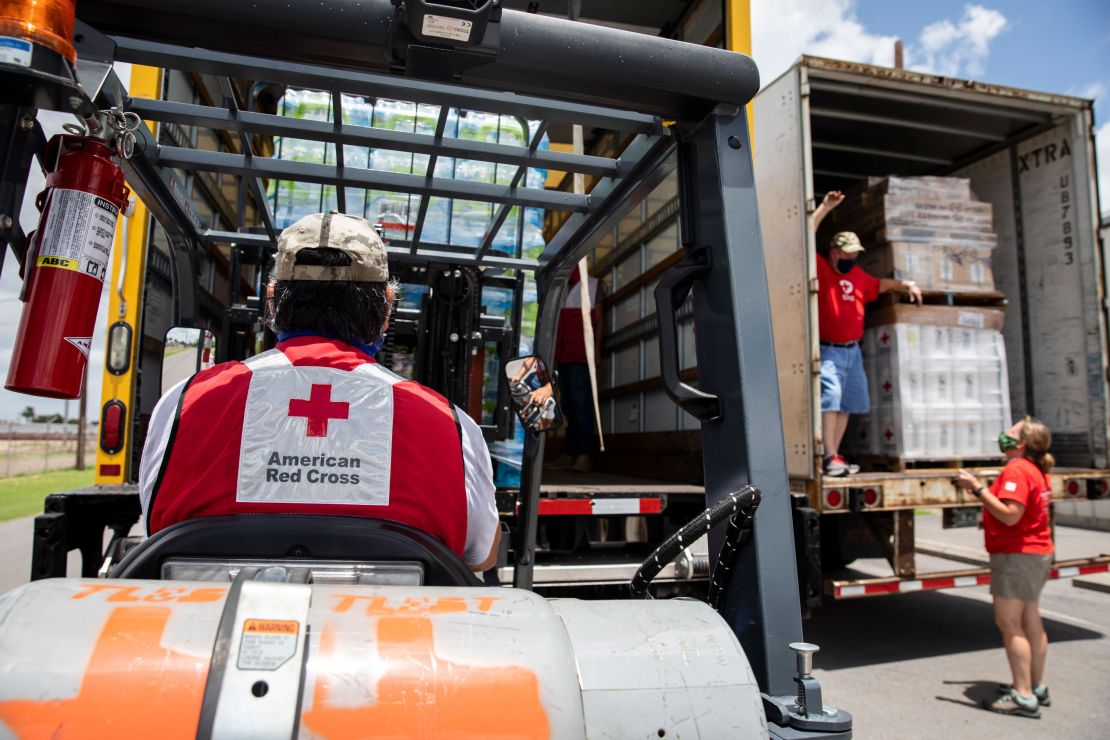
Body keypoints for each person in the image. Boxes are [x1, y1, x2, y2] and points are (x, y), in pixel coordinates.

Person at [138, 211, 500, 571]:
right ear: (387, 307)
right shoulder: (448, 425)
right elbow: (481, 556)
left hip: (208, 625)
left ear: (271, 300)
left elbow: (154, 526)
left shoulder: (187, 404)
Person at [813, 191, 923, 476]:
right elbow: (804, 234)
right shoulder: (823, 270)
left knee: (847, 403)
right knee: (831, 399)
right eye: (849, 253)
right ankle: (827, 456)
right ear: (835, 252)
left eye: (856, 254)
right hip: (829, 349)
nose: (853, 258)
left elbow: (882, 285)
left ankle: (834, 456)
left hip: (853, 351)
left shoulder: (858, 277)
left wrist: (906, 284)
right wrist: (826, 207)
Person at [957, 417, 1055, 719]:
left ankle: (1023, 696)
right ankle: (1036, 685)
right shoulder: (1036, 469)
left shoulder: (1017, 469)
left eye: (1011, 432)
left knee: (1010, 624)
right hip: (1036, 552)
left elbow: (1011, 514)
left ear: (1022, 443)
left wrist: (977, 489)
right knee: (1030, 619)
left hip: (1016, 555)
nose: (1004, 435)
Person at [548, 267, 602, 473]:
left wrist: (596, 351)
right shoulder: (560, 286)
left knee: (582, 406)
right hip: (562, 356)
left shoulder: (594, 284)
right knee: (567, 406)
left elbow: (600, 320)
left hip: (581, 356)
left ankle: (583, 455)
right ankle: (570, 453)